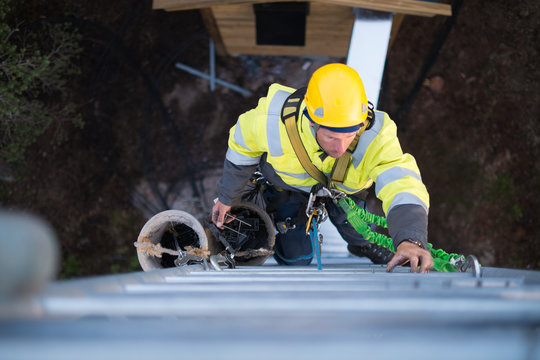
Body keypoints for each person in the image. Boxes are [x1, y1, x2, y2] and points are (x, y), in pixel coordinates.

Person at [211, 63, 433, 273]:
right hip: (291, 191)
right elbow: (241, 148)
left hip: (344, 193)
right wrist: (228, 197)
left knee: (361, 232)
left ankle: (360, 245)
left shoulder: (376, 135)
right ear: (310, 121)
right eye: (331, 136)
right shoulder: (271, 120)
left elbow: (403, 183)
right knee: (297, 260)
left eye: (350, 135)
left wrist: (410, 239)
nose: (341, 147)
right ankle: (281, 230)